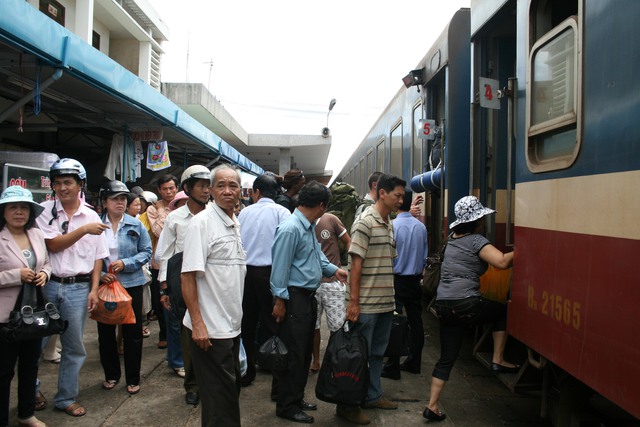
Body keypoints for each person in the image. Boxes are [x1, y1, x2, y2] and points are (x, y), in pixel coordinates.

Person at [424, 195, 515, 422]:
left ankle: (432, 405)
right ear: (477, 220)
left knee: (447, 358)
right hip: (466, 304)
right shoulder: (476, 240)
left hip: (444, 306)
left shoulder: (451, 239)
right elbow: (502, 261)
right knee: (501, 311)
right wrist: (525, 248)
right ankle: (498, 358)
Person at [36, 158, 109, 417]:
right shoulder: (43, 211)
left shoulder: (90, 215)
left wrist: (93, 289)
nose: (62, 187)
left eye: (68, 182)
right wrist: (84, 230)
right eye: (57, 183)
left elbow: (98, 256)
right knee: (34, 341)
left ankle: (65, 397)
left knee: (74, 346)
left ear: (80, 184)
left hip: (78, 288)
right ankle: (31, 390)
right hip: (46, 286)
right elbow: (52, 245)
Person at [270, 181, 348, 424]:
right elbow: (279, 268)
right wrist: (280, 300)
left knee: (302, 352)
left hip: (306, 298)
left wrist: (336, 270)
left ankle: (296, 398)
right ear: (322, 205)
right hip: (293, 298)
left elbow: (317, 258)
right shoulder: (291, 229)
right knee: (294, 353)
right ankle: (286, 405)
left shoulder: (308, 227)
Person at [181, 164, 246, 427]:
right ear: (211, 190)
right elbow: (187, 276)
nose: (227, 191)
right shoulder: (202, 223)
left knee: (227, 394)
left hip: (230, 325)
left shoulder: (234, 221)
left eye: (233, 185)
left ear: (240, 190)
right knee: (220, 398)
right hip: (210, 328)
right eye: (221, 185)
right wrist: (198, 324)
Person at [341, 174, 406, 425]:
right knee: (357, 357)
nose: (400, 200)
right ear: (382, 193)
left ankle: (373, 395)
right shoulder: (364, 222)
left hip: (385, 304)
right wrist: (353, 303)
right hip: (366, 305)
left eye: (402, 196)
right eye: (397, 195)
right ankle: (349, 405)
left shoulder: (389, 222)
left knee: (377, 353)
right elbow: (355, 265)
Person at [157, 165, 212, 406]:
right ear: (187, 188)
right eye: (200, 185)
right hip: (183, 281)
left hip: (212, 281)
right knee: (189, 333)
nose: (206, 190)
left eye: (208, 185)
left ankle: (212, 382)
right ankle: (192, 385)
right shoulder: (175, 218)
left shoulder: (218, 213)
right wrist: (164, 288)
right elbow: (165, 254)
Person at [0, 186, 51, 427]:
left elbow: (47, 263)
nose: (19, 212)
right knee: (3, 371)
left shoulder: (36, 235)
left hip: (33, 313)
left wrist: (45, 275)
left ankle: (26, 413)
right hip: (4, 317)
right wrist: (15, 275)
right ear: (4, 211)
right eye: (13, 207)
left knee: (30, 365)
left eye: (24, 207)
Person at [95, 180, 152, 395]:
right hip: (104, 286)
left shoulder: (136, 224)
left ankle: (133, 378)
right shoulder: (96, 225)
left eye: (122, 199)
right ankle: (111, 375)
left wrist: (126, 263)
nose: (120, 203)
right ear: (104, 202)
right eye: (114, 199)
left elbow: (146, 251)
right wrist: (101, 275)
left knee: (132, 333)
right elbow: (88, 255)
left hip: (131, 284)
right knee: (106, 332)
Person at [237, 173, 290, 388]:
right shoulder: (282, 212)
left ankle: (247, 373)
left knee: (247, 324)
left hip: (245, 274)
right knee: (275, 325)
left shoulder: (243, 213)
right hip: (271, 273)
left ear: (256, 192)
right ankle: (277, 381)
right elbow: (286, 245)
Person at [382, 190, 428, 380]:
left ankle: (392, 366)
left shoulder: (392, 226)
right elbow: (424, 255)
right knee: (416, 322)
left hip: (397, 280)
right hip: (415, 280)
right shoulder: (421, 227)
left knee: (395, 322)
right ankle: (414, 362)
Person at [309, 212, 350, 373]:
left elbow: (348, 241)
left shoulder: (330, 219)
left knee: (338, 327)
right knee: (314, 326)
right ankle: (316, 361)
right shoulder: (302, 222)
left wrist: (350, 268)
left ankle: (336, 361)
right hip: (312, 284)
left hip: (333, 282)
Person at [146, 174, 178, 350]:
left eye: (172, 188)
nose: (169, 192)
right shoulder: (153, 209)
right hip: (159, 263)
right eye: (165, 189)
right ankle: (163, 333)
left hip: (179, 261)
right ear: (159, 190)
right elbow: (158, 231)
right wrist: (162, 211)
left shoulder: (183, 204)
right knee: (161, 302)